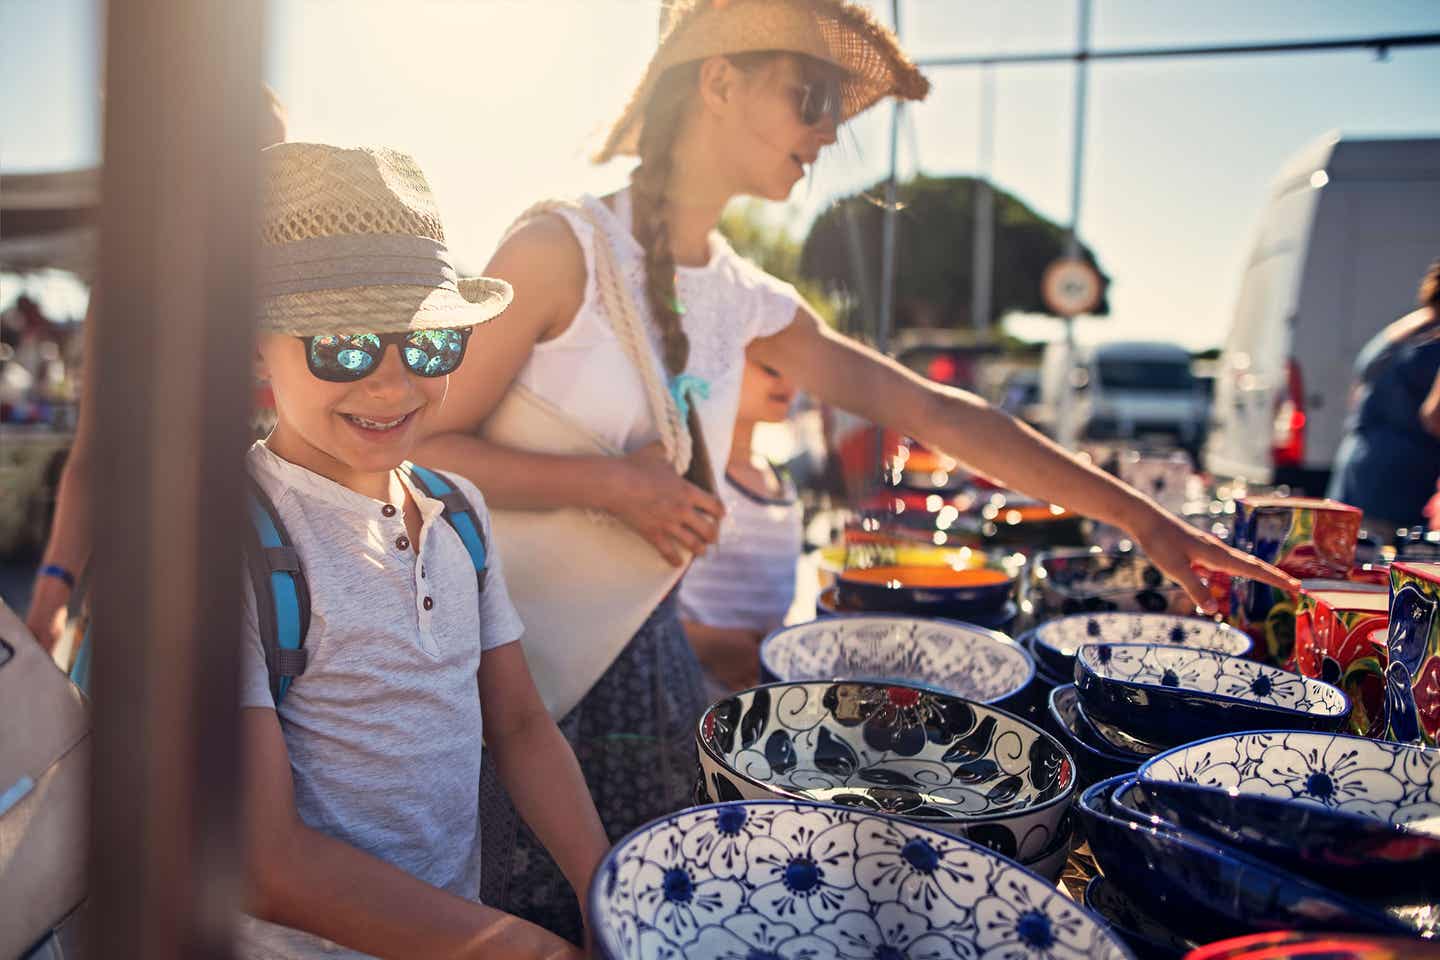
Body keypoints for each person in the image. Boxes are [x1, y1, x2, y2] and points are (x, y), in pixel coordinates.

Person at [412, 0, 1299, 939]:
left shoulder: (750, 298)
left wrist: (1147, 522)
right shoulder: (560, 247)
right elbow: (420, 449)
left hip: (647, 678)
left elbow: (938, 412)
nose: (831, 129)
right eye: (812, 96)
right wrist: (615, 487)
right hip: (500, 695)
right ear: (717, 80)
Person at [237, 142, 606, 960]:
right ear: (256, 346)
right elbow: (267, 862)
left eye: (430, 343)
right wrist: (524, 948)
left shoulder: (458, 514)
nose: (393, 384)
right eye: (343, 343)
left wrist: (604, 885)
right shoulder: (228, 540)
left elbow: (517, 724)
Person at [25, 85, 289, 653]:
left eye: (272, 149)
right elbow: (98, 455)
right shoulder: (128, 287)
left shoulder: (310, 280)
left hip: (294, 596)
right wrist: (52, 593)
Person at [679, 356, 804, 693]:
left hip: (766, 705)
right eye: (771, 365)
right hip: (694, 703)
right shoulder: (690, 478)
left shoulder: (782, 483)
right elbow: (636, 618)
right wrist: (708, 644)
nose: (789, 379)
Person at [1329, 259, 1440, 540]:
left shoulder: (1406, 329)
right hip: (1398, 484)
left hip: (1357, 467)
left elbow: (1359, 381)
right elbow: (1434, 417)